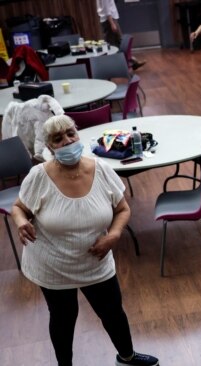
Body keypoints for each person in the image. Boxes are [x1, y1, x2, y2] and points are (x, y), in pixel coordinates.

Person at [11, 115, 158, 366]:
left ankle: (127, 357)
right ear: (49, 148)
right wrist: (22, 222)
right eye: (58, 139)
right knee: (63, 318)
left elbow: (122, 209)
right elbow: (18, 208)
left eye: (71, 134)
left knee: (113, 313)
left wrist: (113, 235)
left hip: (96, 261)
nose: (67, 141)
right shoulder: (38, 176)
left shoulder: (101, 169)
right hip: (52, 265)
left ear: (78, 135)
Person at [96, 0, 146, 70]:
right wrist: (112, 23)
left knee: (118, 43)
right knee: (116, 44)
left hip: (109, 20)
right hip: (109, 21)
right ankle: (124, 65)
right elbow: (106, 9)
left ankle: (131, 62)